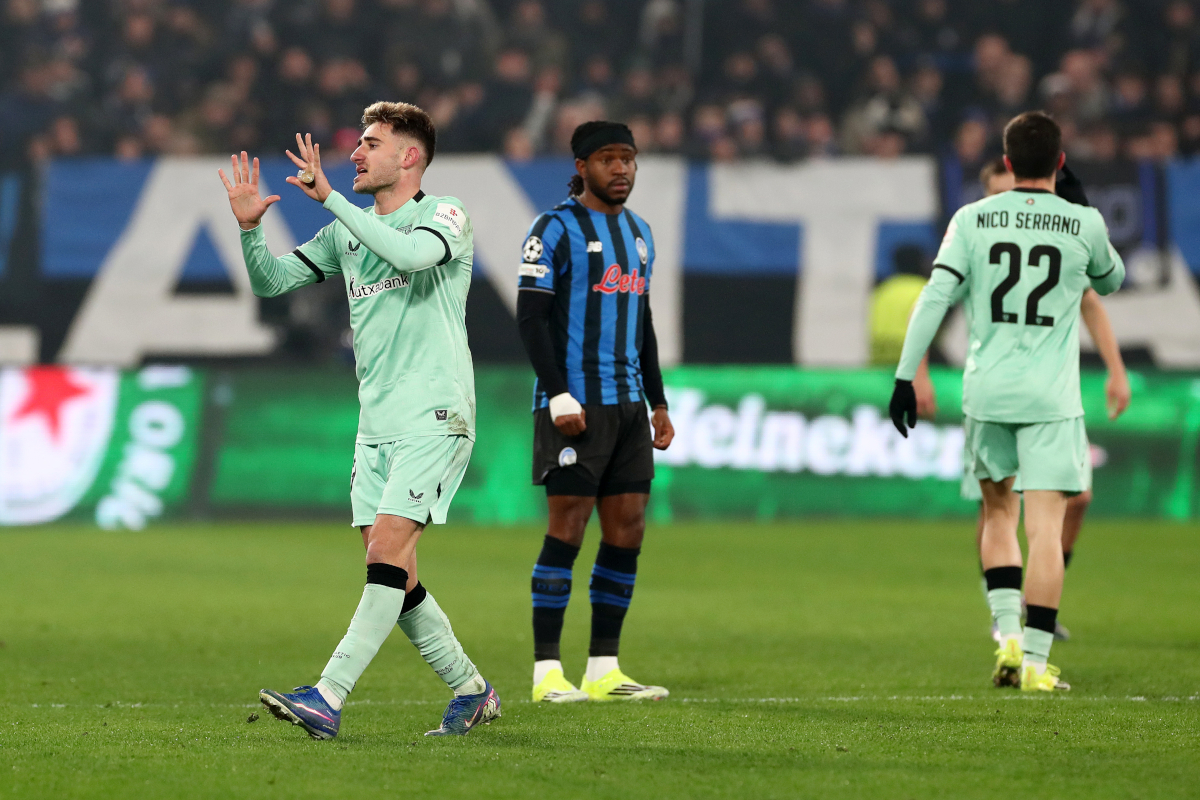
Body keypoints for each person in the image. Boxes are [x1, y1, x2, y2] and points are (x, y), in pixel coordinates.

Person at [219, 102, 500, 738]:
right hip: (375, 422)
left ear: (410, 157)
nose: (356, 154)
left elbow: (408, 256)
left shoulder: (444, 215)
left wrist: (329, 202)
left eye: (371, 143)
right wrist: (247, 231)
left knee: (388, 551)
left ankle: (327, 695)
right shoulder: (347, 232)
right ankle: (471, 688)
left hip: (436, 412)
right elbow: (271, 283)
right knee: (392, 571)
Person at [889, 111, 1125, 692]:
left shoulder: (971, 218)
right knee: (1046, 529)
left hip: (987, 390)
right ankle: (1039, 667)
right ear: (1061, 163)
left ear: (1008, 162)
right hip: (1050, 395)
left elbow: (935, 297)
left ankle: (1008, 637)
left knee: (998, 514)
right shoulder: (1083, 222)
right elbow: (1112, 280)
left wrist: (902, 376)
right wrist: (1079, 210)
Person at [515, 120, 675, 703]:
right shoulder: (552, 228)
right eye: (609, 158)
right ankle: (546, 673)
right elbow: (531, 316)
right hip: (574, 404)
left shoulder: (639, 234)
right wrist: (557, 391)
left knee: (627, 528)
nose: (622, 169)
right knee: (569, 527)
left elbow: (644, 322)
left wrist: (657, 400)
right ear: (582, 166)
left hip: (629, 405)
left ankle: (604, 669)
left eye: (629, 158)